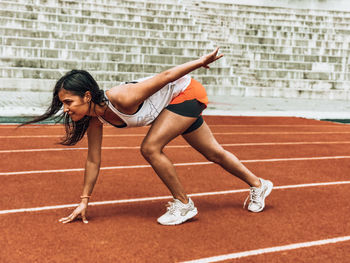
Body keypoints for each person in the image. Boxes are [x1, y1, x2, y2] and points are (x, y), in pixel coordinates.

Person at [21, 47, 273, 225]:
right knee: (213, 153)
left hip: (186, 94)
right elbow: (93, 161)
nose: (65, 109)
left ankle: (184, 204)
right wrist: (84, 201)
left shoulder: (122, 97)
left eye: (68, 102)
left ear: (87, 96)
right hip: (170, 106)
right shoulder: (95, 119)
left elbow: (165, 77)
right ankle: (259, 185)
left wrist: (200, 62)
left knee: (150, 147)